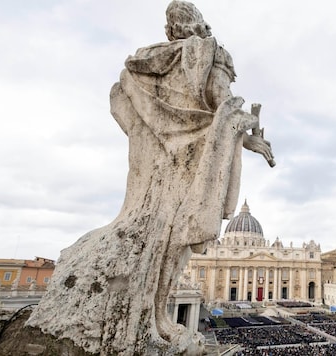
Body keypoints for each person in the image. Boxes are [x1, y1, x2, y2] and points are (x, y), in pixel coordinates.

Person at [27, 1, 274, 354]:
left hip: (158, 164)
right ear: (199, 24)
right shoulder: (210, 54)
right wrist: (248, 134)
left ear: (171, 28)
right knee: (172, 246)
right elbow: (223, 109)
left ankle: (151, 318)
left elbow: (121, 103)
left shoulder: (143, 65)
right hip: (189, 168)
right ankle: (154, 317)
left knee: (157, 239)